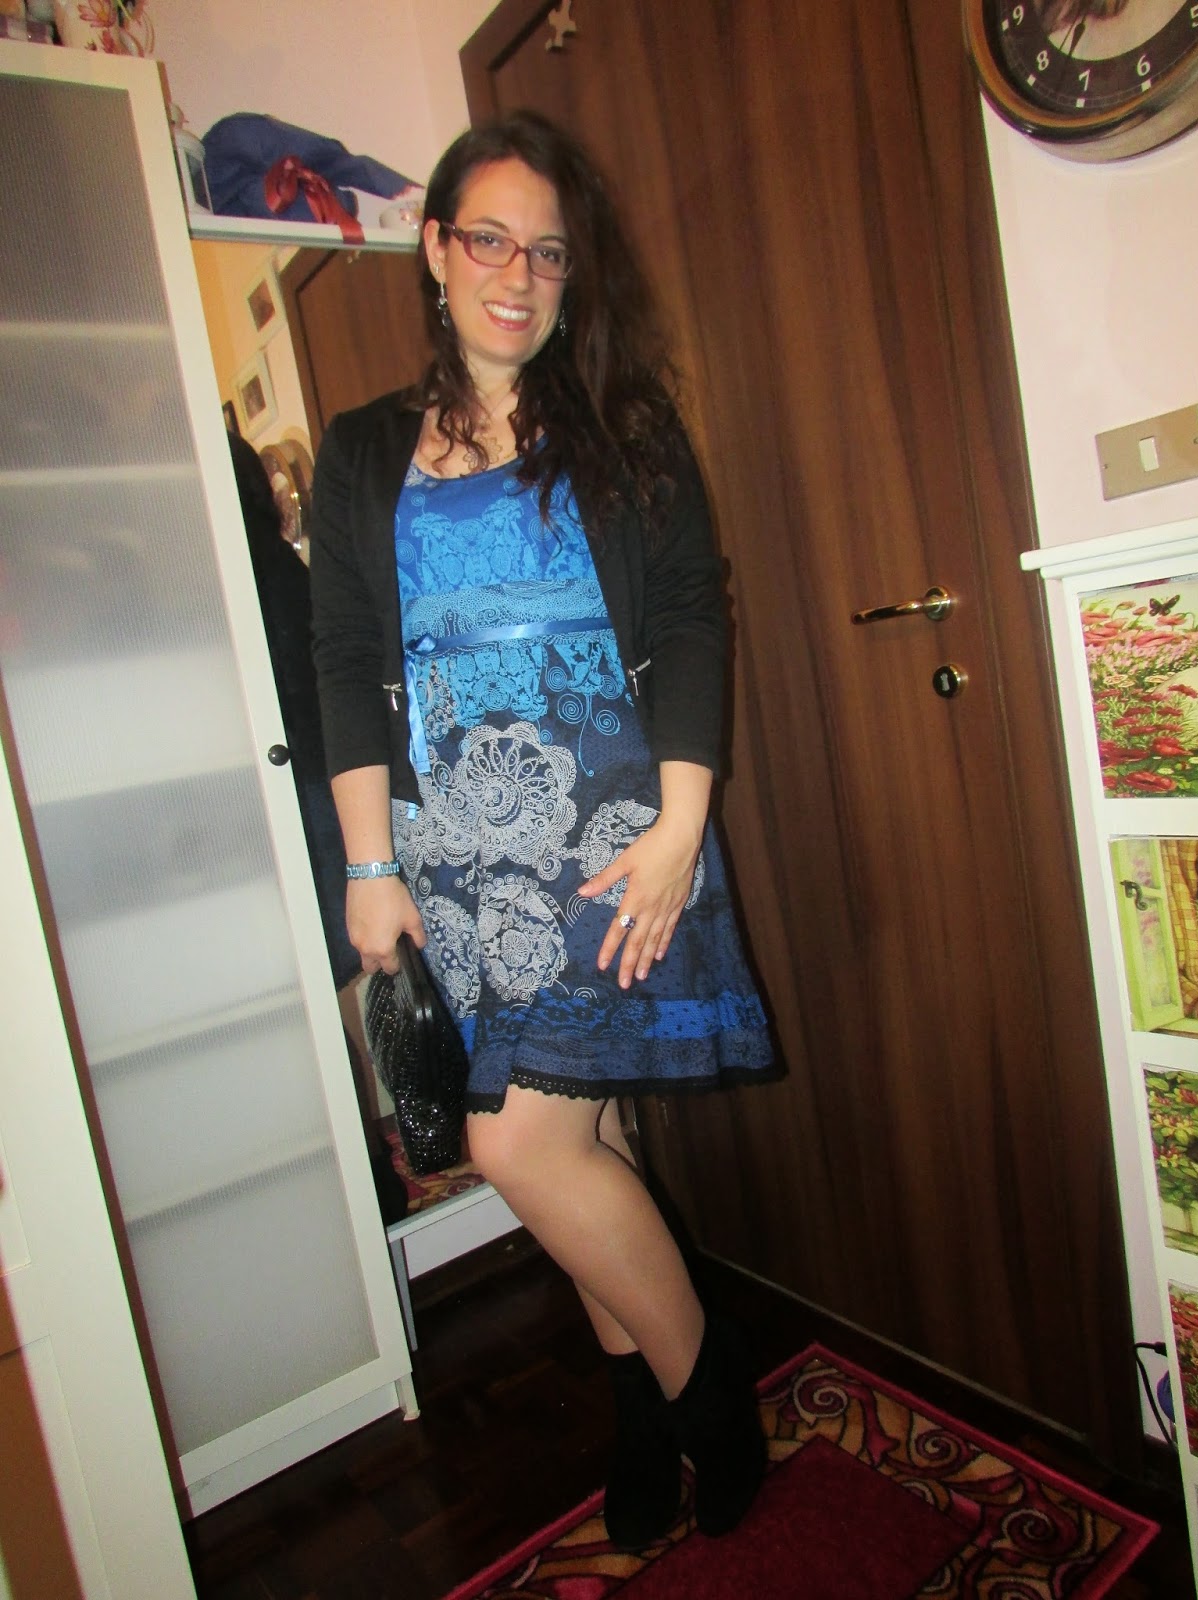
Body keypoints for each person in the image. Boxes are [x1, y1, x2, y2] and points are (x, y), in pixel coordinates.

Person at [309, 110, 777, 1548]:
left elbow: (690, 609)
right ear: (435, 249)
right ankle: (643, 1412)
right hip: (455, 854)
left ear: (573, 274)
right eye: (490, 240)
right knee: (591, 1141)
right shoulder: (363, 450)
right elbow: (343, 658)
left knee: (521, 1148)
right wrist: (370, 865)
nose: (518, 274)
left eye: (549, 252)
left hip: (612, 837)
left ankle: (708, 1396)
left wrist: (683, 825)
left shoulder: (624, 425)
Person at [227, 429, 408, 1225]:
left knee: (307, 1004)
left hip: (300, 802)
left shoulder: (232, 581)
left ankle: (367, 1182)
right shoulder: (283, 571)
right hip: (322, 793)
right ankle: (374, 1174)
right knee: (328, 1001)